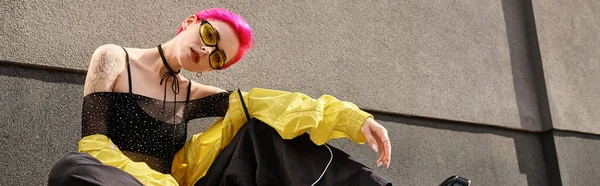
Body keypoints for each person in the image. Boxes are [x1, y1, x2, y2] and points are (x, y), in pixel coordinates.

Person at [48, 8, 392, 186]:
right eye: (209, 35)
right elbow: (93, 144)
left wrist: (352, 119)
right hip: (113, 179)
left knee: (258, 129)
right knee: (71, 168)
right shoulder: (113, 58)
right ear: (190, 22)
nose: (205, 50)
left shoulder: (193, 94)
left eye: (217, 57)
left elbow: (266, 104)